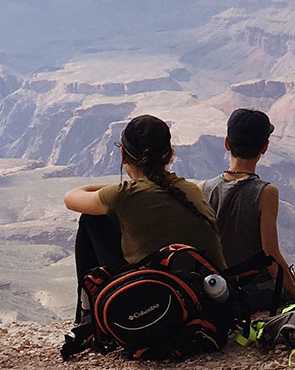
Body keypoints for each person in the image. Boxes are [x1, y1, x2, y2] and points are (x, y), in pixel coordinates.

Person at [64, 114, 225, 317]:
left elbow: (71, 198)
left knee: (91, 219)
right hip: (211, 302)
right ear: (170, 155)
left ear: (123, 155)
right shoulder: (191, 188)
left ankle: (87, 317)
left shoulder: (126, 195)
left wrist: (121, 191)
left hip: (158, 307)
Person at [201, 109, 295, 300]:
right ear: (264, 147)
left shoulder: (205, 188)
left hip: (220, 287)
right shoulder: (266, 193)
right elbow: (270, 254)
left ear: (227, 144)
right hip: (256, 289)